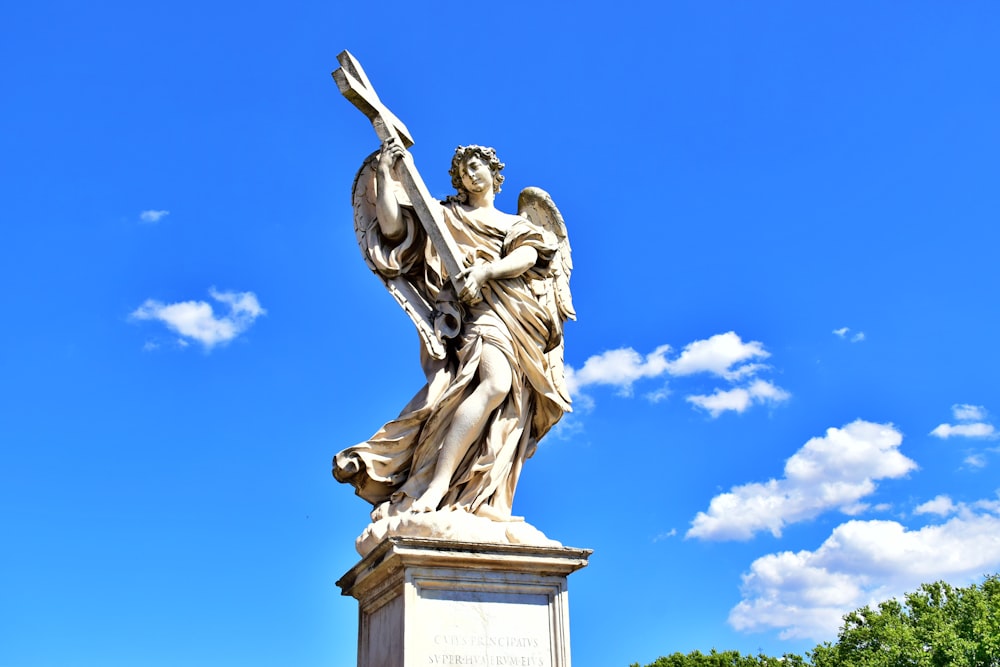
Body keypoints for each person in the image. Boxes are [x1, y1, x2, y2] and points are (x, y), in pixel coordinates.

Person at [333, 139, 573, 524]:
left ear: (495, 175)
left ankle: (480, 496)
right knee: (495, 384)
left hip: (518, 313)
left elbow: (529, 256)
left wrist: (485, 271)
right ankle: (436, 485)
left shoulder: (519, 224)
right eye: (463, 170)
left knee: (510, 405)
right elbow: (395, 231)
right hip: (476, 314)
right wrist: (385, 172)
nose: (470, 174)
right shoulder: (446, 215)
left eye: (477, 166)